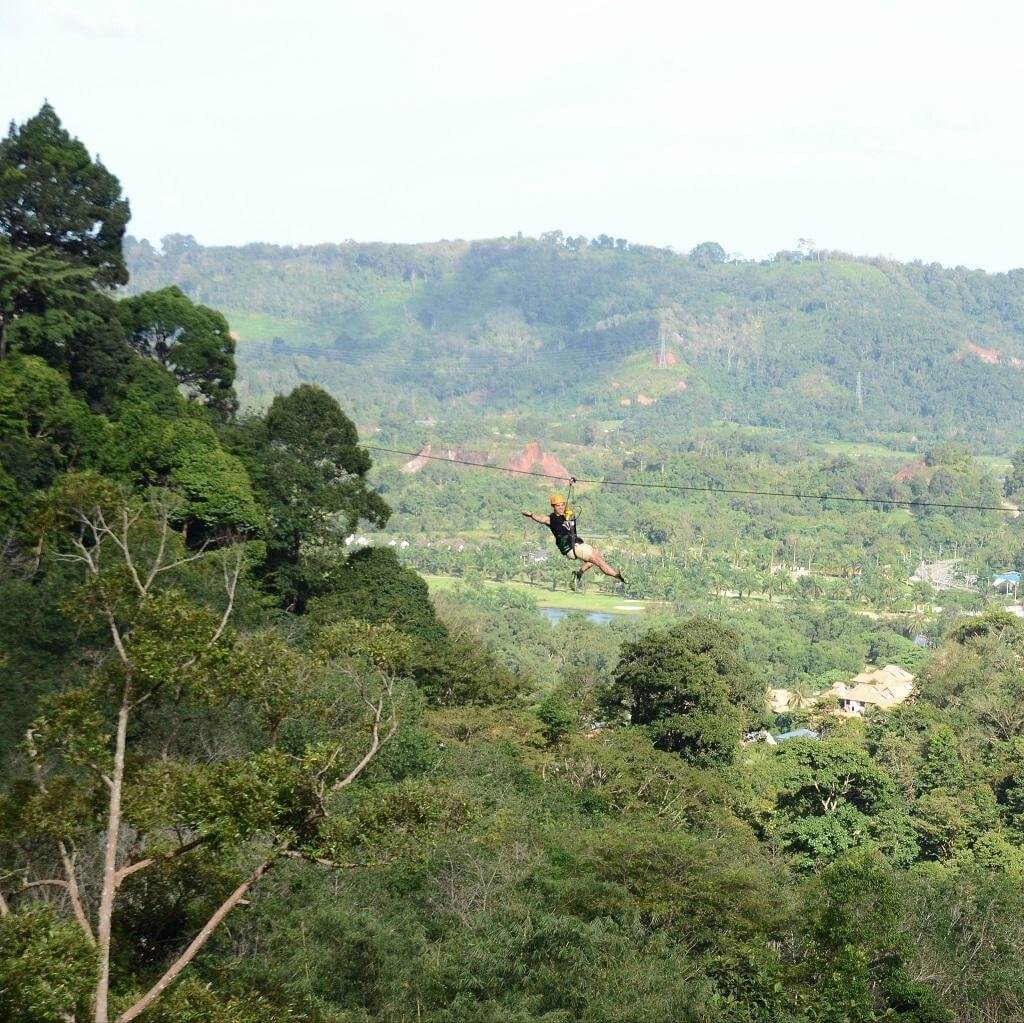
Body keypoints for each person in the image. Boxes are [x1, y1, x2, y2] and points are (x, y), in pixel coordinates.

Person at [522, 494, 626, 588]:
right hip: (572, 548)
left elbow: (570, 505)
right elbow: (541, 518)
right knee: (599, 561)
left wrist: (571, 485)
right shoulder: (551, 519)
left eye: (562, 505)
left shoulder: (568, 515)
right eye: (558, 506)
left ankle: (578, 574)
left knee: (595, 557)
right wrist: (531, 515)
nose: (561, 507)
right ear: (553, 507)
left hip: (576, 545)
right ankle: (618, 576)